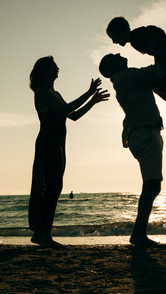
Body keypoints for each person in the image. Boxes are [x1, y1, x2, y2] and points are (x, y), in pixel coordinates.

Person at [29, 56, 109, 247]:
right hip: (48, 144)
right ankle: (42, 234)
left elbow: (74, 116)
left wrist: (93, 101)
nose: (58, 68)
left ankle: (42, 233)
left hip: (58, 144)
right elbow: (66, 110)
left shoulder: (54, 93)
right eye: (54, 66)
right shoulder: (42, 92)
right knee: (50, 187)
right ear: (45, 71)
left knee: (55, 187)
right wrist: (89, 92)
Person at [99, 53, 166, 248]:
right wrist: (159, 51)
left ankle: (139, 233)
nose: (120, 53)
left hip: (143, 133)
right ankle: (138, 234)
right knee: (152, 185)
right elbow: (157, 71)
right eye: (115, 55)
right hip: (144, 133)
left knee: (152, 184)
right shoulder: (127, 76)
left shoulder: (124, 78)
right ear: (113, 65)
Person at [106, 16, 166, 127]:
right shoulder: (135, 39)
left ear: (120, 32)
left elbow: (157, 46)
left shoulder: (136, 39)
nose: (114, 42)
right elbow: (155, 51)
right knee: (156, 85)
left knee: (158, 85)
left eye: (113, 37)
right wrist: (164, 68)